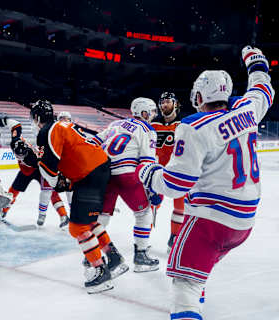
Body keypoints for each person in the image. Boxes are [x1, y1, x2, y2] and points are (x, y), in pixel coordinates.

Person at [136, 46, 274, 319]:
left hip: (212, 220)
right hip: (245, 222)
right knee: (197, 273)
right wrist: (256, 63)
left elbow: (176, 182)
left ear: (199, 95)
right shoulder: (247, 109)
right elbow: (263, 88)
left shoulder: (193, 125)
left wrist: (148, 173)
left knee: (183, 287)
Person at [31, 99, 125, 294]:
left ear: (37, 118)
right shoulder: (64, 125)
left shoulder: (47, 130)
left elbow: (49, 168)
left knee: (77, 227)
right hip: (98, 169)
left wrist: (57, 182)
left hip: (88, 175)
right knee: (89, 222)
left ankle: (100, 271)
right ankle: (114, 258)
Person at [92, 97, 160, 273]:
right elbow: (147, 162)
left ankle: (91, 254)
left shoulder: (115, 124)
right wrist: (152, 188)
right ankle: (141, 255)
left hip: (104, 173)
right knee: (144, 213)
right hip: (127, 174)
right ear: (143, 112)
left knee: (103, 216)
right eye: (151, 112)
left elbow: (94, 143)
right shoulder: (147, 129)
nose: (152, 115)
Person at [0, 117, 69, 228]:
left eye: (22, 156)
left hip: (39, 170)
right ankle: (4, 210)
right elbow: (15, 124)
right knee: (14, 190)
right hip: (25, 172)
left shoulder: (33, 158)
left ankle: (63, 215)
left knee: (51, 192)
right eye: (17, 155)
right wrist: (5, 120)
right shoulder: (16, 141)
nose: (19, 157)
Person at [151, 91, 187, 252]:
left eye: (168, 101)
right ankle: (143, 237)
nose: (165, 104)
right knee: (151, 205)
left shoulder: (184, 124)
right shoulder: (153, 125)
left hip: (177, 171)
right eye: (162, 102)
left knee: (180, 206)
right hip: (157, 173)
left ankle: (174, 238)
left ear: (175, 104)